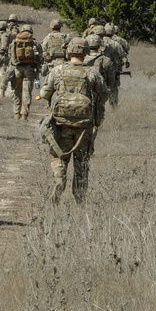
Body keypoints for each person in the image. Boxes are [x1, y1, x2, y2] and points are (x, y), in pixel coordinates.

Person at [38, 37, 108, 204]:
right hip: (84, 126)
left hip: (60, 124)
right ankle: (80, 200)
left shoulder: (57, 71)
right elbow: (105, 95)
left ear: (68, 51)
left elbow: (45, 94)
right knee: (82, 162)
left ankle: (59, 182)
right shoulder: (91, 73)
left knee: (59, 156)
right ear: (85, 52)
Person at [8, 24, 42, 120]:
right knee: (26, 92)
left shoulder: (15, 42)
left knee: (17, 91)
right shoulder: (35, 43)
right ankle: (24, 115)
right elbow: (40, 57)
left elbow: (10, 55)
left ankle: (16, 113)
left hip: (17, 69)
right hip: (29, 69)